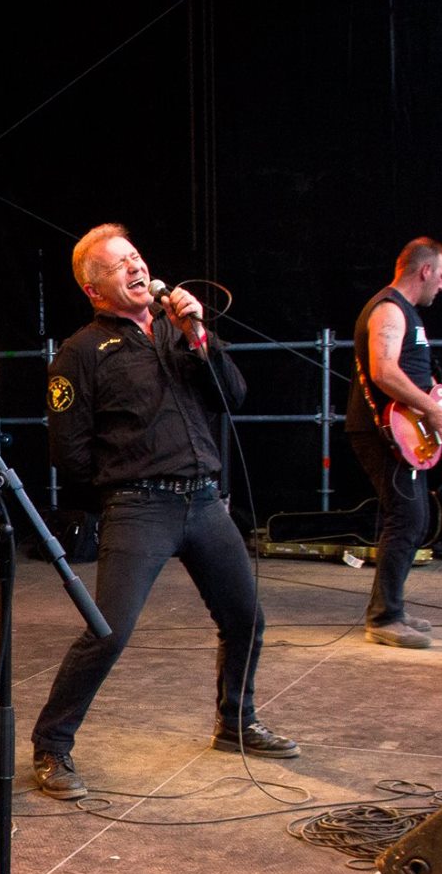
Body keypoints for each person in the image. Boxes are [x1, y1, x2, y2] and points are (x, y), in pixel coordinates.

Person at [29, 223, 297, 801]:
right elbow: (68, 453)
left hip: (204, 501)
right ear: (93, 289)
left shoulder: (180, 331)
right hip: (139, 506)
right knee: (108, 632)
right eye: (119, 264)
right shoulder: (80, 353)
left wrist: (199, 332)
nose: (136, 267)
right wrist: (120, 483)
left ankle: (236, 721)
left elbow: (233, 396)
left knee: (246, 618)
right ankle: (51, 744)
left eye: (137, 257)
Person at [346, 237, 442, 650]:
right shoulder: (389, 309)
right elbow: (384, 371)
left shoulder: (407, 313)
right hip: (382, 431)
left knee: (414, 518)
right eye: (440, 275)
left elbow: (419, 383)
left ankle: (392, 609)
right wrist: (433, 409)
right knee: (406, 518)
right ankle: (384, 618)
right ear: (424, 270)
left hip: (402, 431)